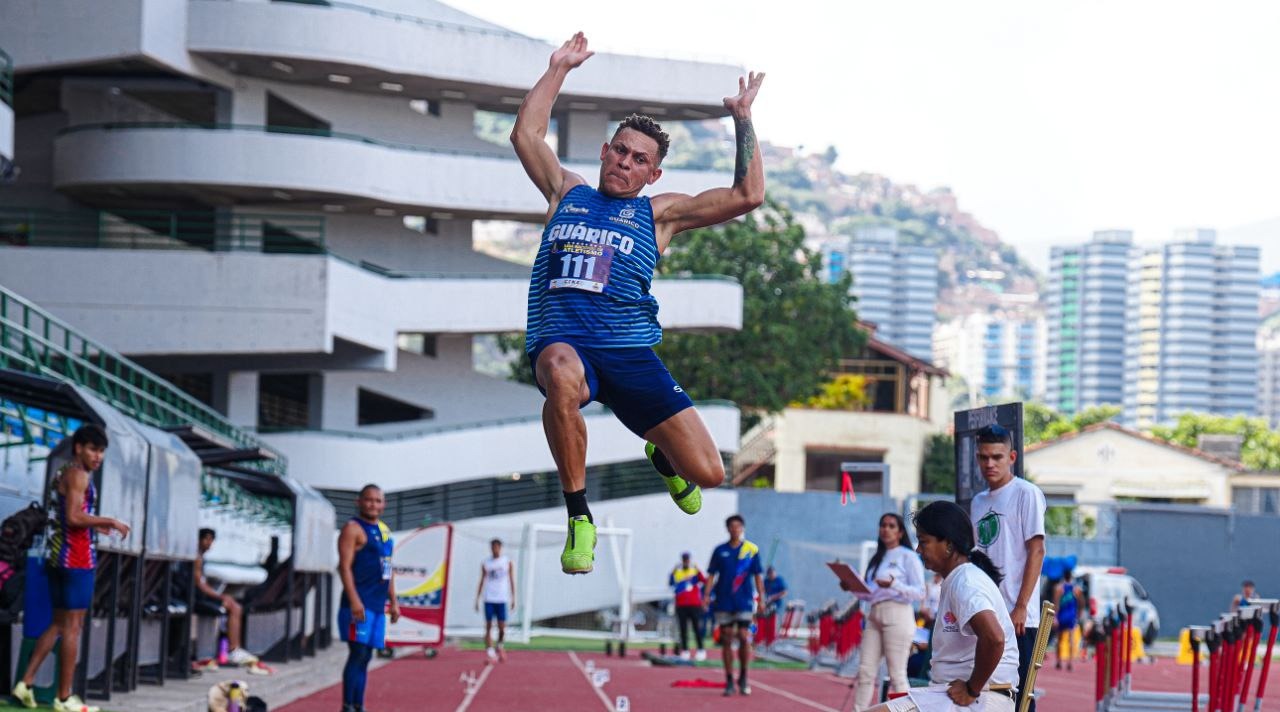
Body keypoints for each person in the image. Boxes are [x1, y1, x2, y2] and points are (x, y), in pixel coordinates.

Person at [511, 32, 766, 574]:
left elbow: (747, 196)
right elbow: (526, 132)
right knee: (558, 372)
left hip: (630, 353)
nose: (625, 162)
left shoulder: (659, 214)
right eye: (619, 151)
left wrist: (743, 118)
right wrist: (558, 68)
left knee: (709, 474)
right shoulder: (567, 192)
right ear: (605, 152)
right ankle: (579, 515)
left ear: (654, 174)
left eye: (638, 159)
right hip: (565, 345)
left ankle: (663, 456)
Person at [12, 424, 129, 712]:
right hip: (76, 559)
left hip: (58, 557)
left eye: (101, 451)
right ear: (79, 448)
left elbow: (67, 519)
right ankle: (64, 698)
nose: (97, 456)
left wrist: (96, 530)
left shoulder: (64, 473)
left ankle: (25, 683)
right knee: (74, 628)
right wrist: (108, 521)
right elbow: (75, 517)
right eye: (93, 449)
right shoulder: (78, 474)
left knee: (58, 623)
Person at [864, 500, 1020, 712]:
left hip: (981, 700)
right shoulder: (960, 578)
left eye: (924, 541)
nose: (918, 549)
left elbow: (994, 638)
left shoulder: (966, 582)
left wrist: (972, 689)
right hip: (959, 697)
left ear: (948, 544)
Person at [969, 424, 1046, 711]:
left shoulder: (1027, 494)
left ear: (1012, 457)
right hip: (987, 612)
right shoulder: (978, 502)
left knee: (1020, 696)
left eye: (997, 457)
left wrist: (1022, 605)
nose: (990, 463)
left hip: (1018, 617)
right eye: (984, 457)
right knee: (985, 693)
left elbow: (1036, 549)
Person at [337, 484, 401, 712]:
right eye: (369, 500)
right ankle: (348, 706)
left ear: (383, 504)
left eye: (378, 500)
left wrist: (393, 601)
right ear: (359, 502)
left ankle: (358, 705)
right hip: (358, 606)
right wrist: (355, 600)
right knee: (358, 653)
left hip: (376, 606)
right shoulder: (353, 529)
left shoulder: (385, 532)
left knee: (366, 657)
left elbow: (388, 567)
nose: (373, 504)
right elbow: (344, 567)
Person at [853, 513, 926, 710]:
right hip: (874, 613)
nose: (886, 529)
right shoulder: (877, 558)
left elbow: (920, 592)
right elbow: (870, 594)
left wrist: (894, 584)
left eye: (891, 526)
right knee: (866, 671)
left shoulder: (908, 556)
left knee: (897, 674)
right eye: (883, 525)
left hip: (898, 613)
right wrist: (852, 586)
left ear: (900, 532)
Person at [703, 514, 764, 696]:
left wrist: (762, 598)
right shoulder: (719, 550)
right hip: (724, 600)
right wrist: (706, 595)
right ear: (728, 528)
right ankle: (729, 679)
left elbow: (758, 576)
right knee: (727, 637)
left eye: (738, 526)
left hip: (744, 600)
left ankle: (744, 675)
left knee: (744, 636)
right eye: (732, 526)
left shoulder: (751, 550)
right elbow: (711, 575)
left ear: (742, 528)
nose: (735, 529)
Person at [195, 528, 258, 666]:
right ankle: (233, 649)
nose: (209, 543)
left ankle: (234, 648)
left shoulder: (201, 556)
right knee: (234, 606)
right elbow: (200, 584)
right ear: (199, 539)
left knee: (234, 605)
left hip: (200, 595)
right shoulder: (197, 557)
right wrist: (220, 596)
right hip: (196, 598)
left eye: (211, 540)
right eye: (207, 539)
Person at [474, 538, 515, 663]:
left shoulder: (506, 562)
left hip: (502, 598)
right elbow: (482, 580)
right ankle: (490, 652)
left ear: (500, 548)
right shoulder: (486, 563)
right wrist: (477, 598)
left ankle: (500, 646)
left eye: (497, 547)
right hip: (489, 598)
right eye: (492, 547)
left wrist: (513, 597)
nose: (495, 549)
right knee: (488, 626)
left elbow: (512, 580)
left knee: (502, 628)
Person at [669, 552, 708, 660]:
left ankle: (700, 650)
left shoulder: (694, 570)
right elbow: (671, 583)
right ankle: (685, 650)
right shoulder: (677, 571)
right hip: (681, 604)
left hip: (694, 604)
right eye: (684, 559)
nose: (686, 561)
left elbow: (704, 580)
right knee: (683, 629)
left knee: (697, 628)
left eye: (687, 559)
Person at [1051, 569, 1083, 670]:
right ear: (1071, 577)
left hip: (1061, 616)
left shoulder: (1059, 588)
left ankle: (1059, 661)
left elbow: (1055, 604)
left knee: (1059, 639)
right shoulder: (1076, 589)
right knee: (1071, 639)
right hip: (1071, 616)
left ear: (1063, 576)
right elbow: (1082, 602)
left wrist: (1055, 617)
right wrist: (1079, 613)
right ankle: (1070, 662)